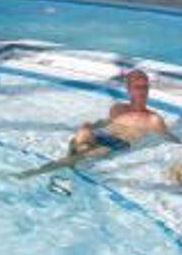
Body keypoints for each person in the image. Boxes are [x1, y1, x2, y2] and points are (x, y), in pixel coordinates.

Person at [17, 68, 172, 177]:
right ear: (129, 89)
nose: (143, 92)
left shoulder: (153, 119)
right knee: (83, 132)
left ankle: (35, 172)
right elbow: (108, 122)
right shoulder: (118, 108)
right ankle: (70, 166)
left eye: (145, 87)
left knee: (86, 152)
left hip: (119, 143)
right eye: (138, 88)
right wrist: (92, 126)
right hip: (103, 134)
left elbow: (170, 139)